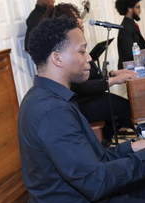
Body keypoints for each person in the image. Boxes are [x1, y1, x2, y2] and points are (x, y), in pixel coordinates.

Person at [19, 15, 145, 203]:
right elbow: (97, 181)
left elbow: (92, 161)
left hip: (89, 197)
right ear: (57, 58)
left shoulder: (44, 96)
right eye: (82, 51)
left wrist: (134, 147)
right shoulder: (53, 112)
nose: (89, 58)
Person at [43, 3, 138, 145]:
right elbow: (81, 87)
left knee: (124, 106)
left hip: (91, 98)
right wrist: (114, 80)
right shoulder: (67, 50)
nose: (81, 21)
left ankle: (104, 143)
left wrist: (113, 73)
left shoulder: (76, 43)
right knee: (126, 109)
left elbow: (92, 74)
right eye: (76, 18)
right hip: (81, 103)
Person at [115, 0, 145, 69]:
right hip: (130, 68)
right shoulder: (125, 29)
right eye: (138, 7)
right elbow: (130, 54)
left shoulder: (131, 24)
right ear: (130, 9)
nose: (140, 10)